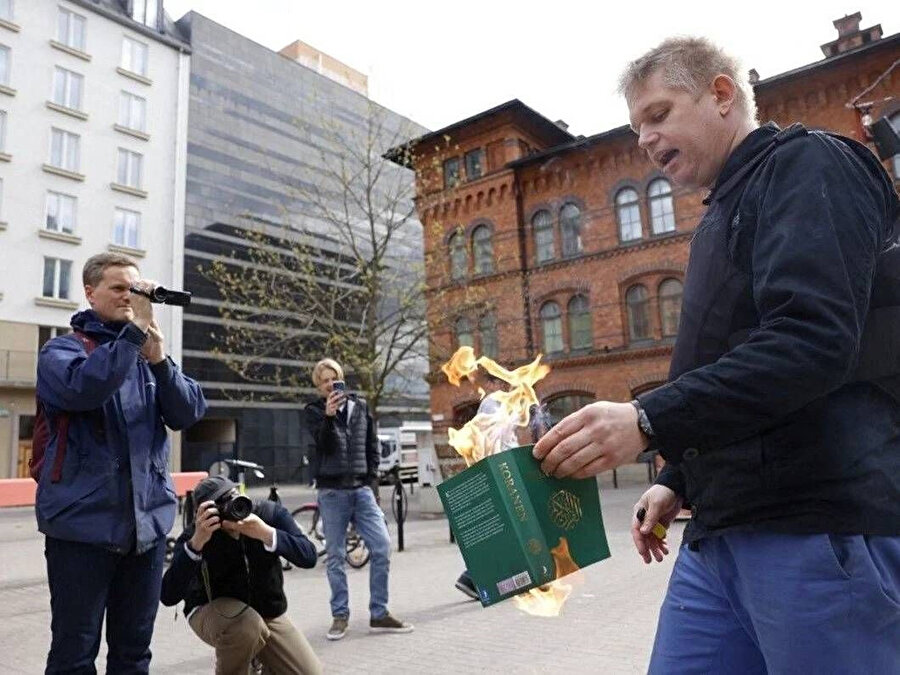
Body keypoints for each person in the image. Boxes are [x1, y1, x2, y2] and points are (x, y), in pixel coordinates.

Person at [533, 37, 900, 673]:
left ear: (722, 94)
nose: (644, 140)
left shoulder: (807, 163)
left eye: (658, 114)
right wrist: (678, 478)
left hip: (817, 527)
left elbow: (812, 339)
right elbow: (725, 363)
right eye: (635, 127)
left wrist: (648, 422)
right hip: (719, 537)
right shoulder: (718, 215)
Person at [35, 252, 208, 673]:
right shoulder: (62, 350)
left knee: (133, 654)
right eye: (119, 288)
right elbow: (84, 388)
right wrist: (133, 335)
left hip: (144, 533)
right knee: (74, 655)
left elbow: (188, 414)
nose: (129, 297)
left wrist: (162, 361)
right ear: (90, 292)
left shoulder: (145, 356)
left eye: (134, 288)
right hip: (81, 530)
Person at [160, 475, 322, 674]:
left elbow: (309, 556)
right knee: (248, 628)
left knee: (309, 671)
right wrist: (196, 544)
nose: (232, 510)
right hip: (211, 610)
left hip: (266, 611)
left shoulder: (267, 514)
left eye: (234, 499)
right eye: (222, 506)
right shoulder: (200, 533)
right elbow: (168, 596)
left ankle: (261, 662)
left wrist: (266, 533)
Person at [304, 358, 413, 640]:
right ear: (318, 386)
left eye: (333, 379)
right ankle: (340, 615)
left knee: (382, 546)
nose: (330, 384)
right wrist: (328, 417)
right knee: (336, 556)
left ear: (341, 379)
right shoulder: (314, 411)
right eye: (324, 381)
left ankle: (379, 613)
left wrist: (371, 482)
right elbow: (323, 446)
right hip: (332, 493)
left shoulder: (361, 408)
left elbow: (371, 448)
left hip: (361, 491)